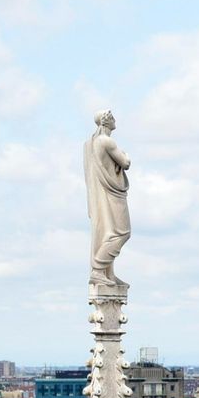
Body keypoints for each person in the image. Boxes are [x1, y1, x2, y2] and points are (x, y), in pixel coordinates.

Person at [84, 110, 132, 286]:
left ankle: (108, 274)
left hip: (104, 192)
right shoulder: (106, 141)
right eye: (112, 117)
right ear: (106, 122)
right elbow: (125, 163)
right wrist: (126, 155)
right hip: (111, 193)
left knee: (107, 232)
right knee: (121, 232)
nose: (115, 120)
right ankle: (98, 269)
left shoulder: (91, 143)